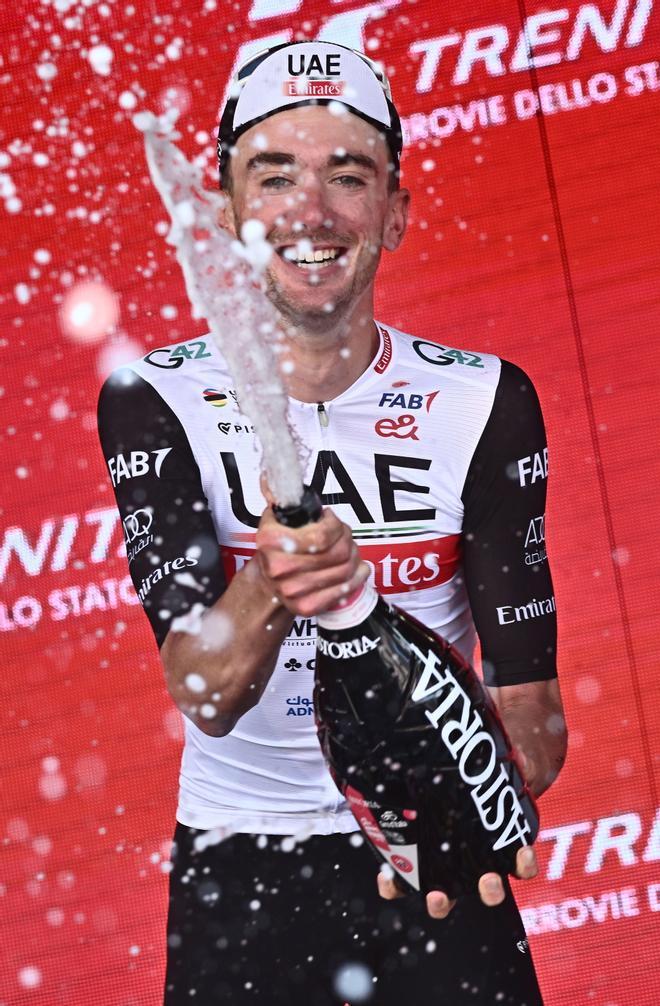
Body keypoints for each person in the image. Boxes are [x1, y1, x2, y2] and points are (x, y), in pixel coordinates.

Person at [97, 41, 567, 1005]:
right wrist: (282, 575)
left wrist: (467, 798)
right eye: (274, 174)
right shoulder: (154, 397)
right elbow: (206, 688)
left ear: (394, 213)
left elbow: (536, 722)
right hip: (243, 876)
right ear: (227, 214)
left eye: (347, 176)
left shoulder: (484, 401)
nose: (310, 213)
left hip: (436, 860)